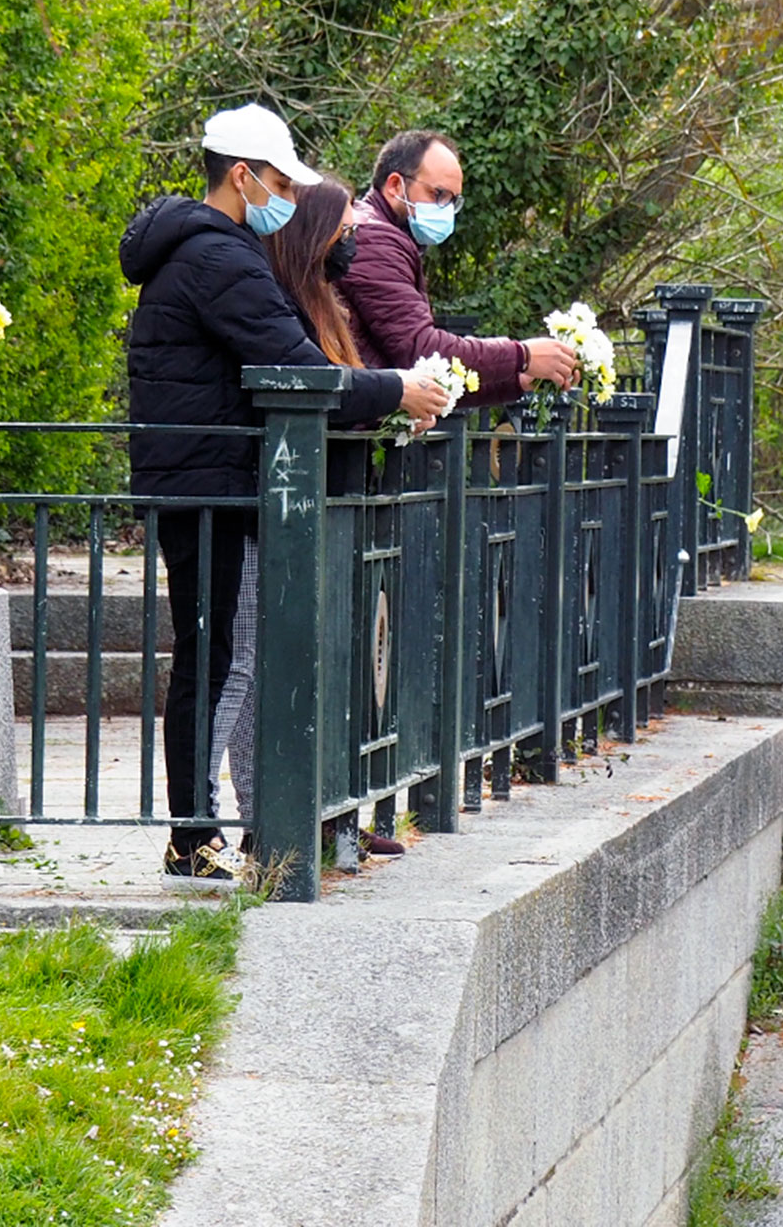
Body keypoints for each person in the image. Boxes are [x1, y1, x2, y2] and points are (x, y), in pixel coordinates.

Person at [121, 104, 450, 890]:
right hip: (211, 487)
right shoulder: (219, 258)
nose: (290, 201)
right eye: (282, 183)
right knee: (215, 662)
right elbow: (301, 373)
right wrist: (397, 388)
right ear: (242, 177)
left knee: (216, 657)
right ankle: (192, 834)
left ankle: (204, 829)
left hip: (201, 481)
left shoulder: (206, 249)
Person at [207, 177, 410, 863]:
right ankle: (226, 820)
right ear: (314, 235)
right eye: (345, 231)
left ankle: (307, 814)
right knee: (244, 664)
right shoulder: (280, 301)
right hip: (265, 501)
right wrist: (394, 393)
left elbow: (342, 391)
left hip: (312, 504)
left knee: (296, 663)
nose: (354, 243)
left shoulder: (324, 303)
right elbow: (314, 388)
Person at [337, 130, 580, 404]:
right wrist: (522, 355)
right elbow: (421, 351)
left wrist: (517, 380)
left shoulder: (387, 236)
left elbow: (429, 379)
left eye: (452, 201)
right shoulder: (375, 239)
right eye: (437, 194)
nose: (445, 210)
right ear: (395, 185)